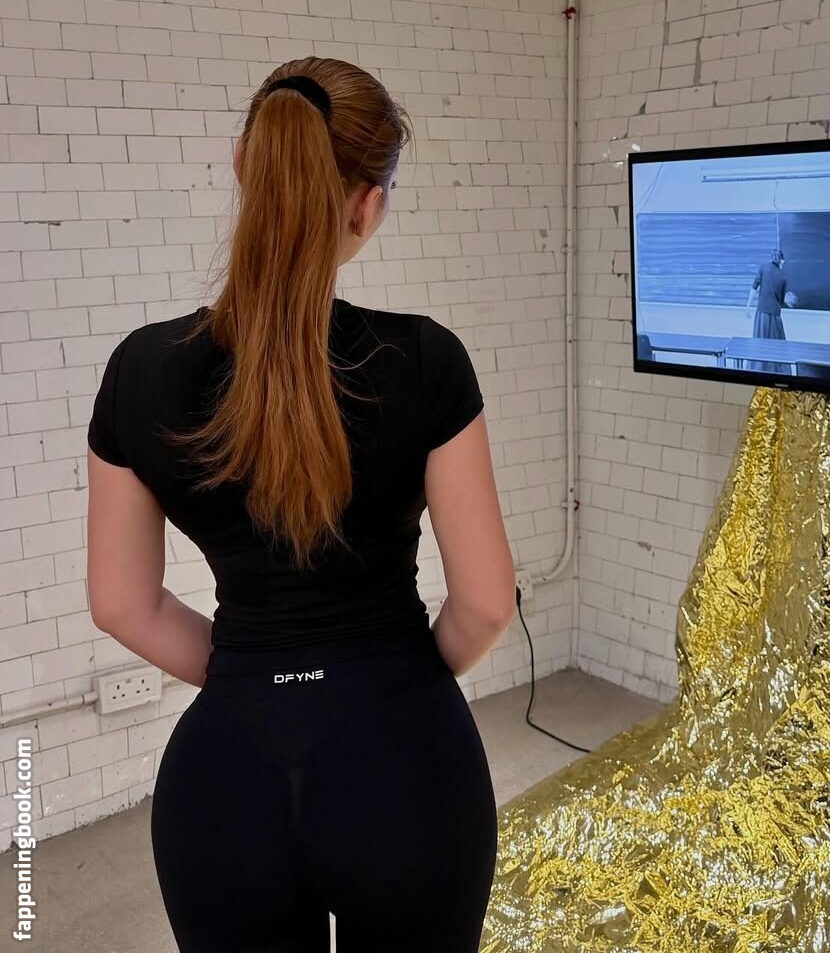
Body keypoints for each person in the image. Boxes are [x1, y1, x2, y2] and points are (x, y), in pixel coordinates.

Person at [85, 57, 516, 953]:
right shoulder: (426, 361)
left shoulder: (139, 371)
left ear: (244, 166)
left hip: (223, 789)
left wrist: (254, 668)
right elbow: (484, 604)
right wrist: (399, 675)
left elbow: (121, 604)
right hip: (408, 774)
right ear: (369, 205)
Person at [745, 249, 796, 374]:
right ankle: (778, 372)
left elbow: (754, 287)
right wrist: (790, 302)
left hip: (762, 313)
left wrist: (748, 306)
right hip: (775, 315)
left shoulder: (763, 268)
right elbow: (782, 301)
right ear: (781, 261)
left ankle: (757, 371)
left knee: (760, 343)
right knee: (777, 345)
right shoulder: (783, 277)